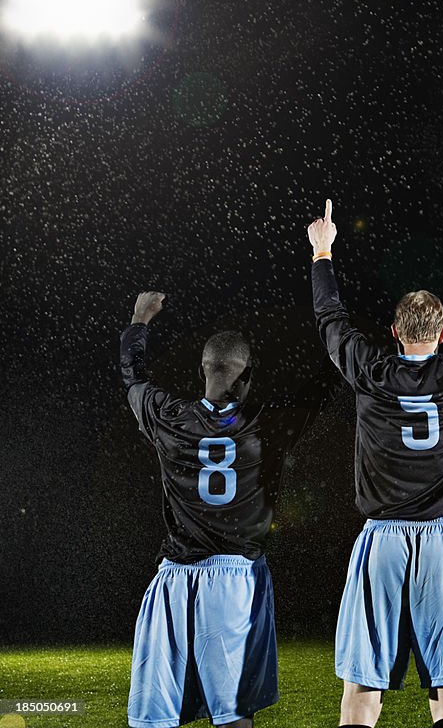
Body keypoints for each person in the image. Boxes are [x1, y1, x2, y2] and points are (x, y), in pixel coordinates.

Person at [307, 199, 443, 728]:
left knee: (362, 691)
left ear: (396, 332)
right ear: (442, 335)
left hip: (383, 539)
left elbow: (331, 320)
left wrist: (323, 251)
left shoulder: (370, 369)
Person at [121, 291, 329, 728]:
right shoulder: (268, 424)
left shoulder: (168, 416)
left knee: (155, 718)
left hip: (174, 578)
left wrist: (140, 321)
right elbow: (328, 379)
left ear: (202, 370)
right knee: (233, 717)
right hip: (236, 581)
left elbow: (133, 376)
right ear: (248, 374)